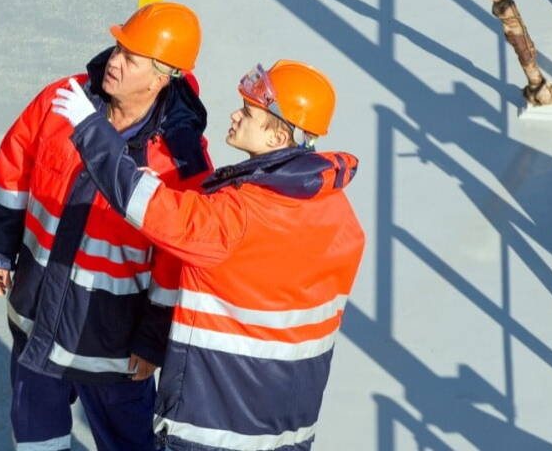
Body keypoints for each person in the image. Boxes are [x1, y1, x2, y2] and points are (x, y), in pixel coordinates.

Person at [49, 59, 365, 451]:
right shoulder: (336, 213)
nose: (235, 114)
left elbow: (146, 208)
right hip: (286, 426)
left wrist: (91, 129)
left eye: (249, 112)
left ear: (276, 138)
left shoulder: (241, 215)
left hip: (215, 426)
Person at [0, 2, 214, 450]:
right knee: (35, 437)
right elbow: (13, 168)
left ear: (161, 77)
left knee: (128, 441)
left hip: (112, 345)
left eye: (130, 59)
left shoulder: (181, 165)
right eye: (118, 47)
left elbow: (177, 265)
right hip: (35, 316)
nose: (114, 62)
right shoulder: (62, 100)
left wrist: (152, 339)